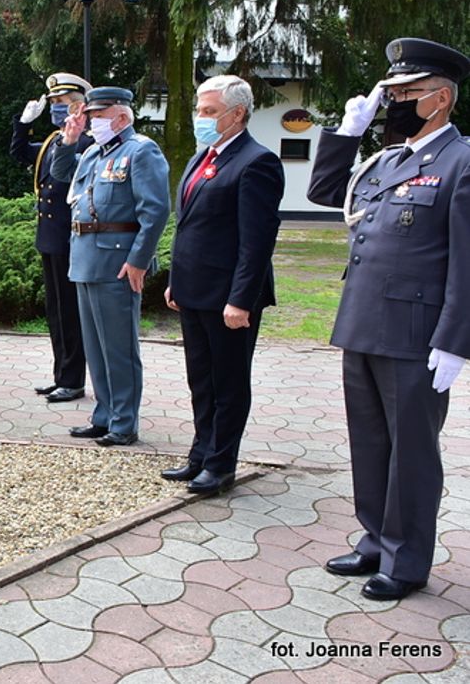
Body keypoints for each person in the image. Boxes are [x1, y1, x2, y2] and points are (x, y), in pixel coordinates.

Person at [306, 37, 470, 601]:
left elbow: (467, 259)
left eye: (404, 92)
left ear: (440, 99)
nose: (392, 101)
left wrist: (455, 341)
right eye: (389, 92)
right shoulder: (387, 160)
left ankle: (406, 561)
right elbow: (327, 191)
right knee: (370, 441)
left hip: (417, 334)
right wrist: (348, 132)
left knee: (412, 451)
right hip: (364, 323)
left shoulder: (461, 160)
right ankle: (375, 538)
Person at [163, 75, 284, 494]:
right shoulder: (204, 157)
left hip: (229, 298)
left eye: (209, 112)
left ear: (237, 114)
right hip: (195, 291)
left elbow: (256, 242)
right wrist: (176, 282)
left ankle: (221, 464)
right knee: (201, 379)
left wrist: (241, 300)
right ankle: (200, 453)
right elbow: (187, 228)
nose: (201, 118)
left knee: (228, 382)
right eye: (199, 109)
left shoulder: (257, 162)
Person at [51, 86, 170, 446]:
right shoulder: (92, 153)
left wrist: (138, 261)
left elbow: (155, 211)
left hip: (117, 261)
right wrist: (68, 141)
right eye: (90, 115)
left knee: (118, 348)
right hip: (86, 257)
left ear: (120, 117)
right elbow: (60, 176)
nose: (91, 121)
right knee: (97, 347)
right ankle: (103, 415)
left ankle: (124, 422)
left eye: (97, 116)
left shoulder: (141, 151)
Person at [10, 73, 93, 403]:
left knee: (70, 313)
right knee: (56, 312)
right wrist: (22, 123)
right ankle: (61, 374)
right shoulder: (51, 141)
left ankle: (73, 380)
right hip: (49, 237)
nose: (57, 109)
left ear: (80, 105)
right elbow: (19, 153)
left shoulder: (86, 143)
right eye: (55, 104)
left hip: (69, 238)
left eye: (63, 103)